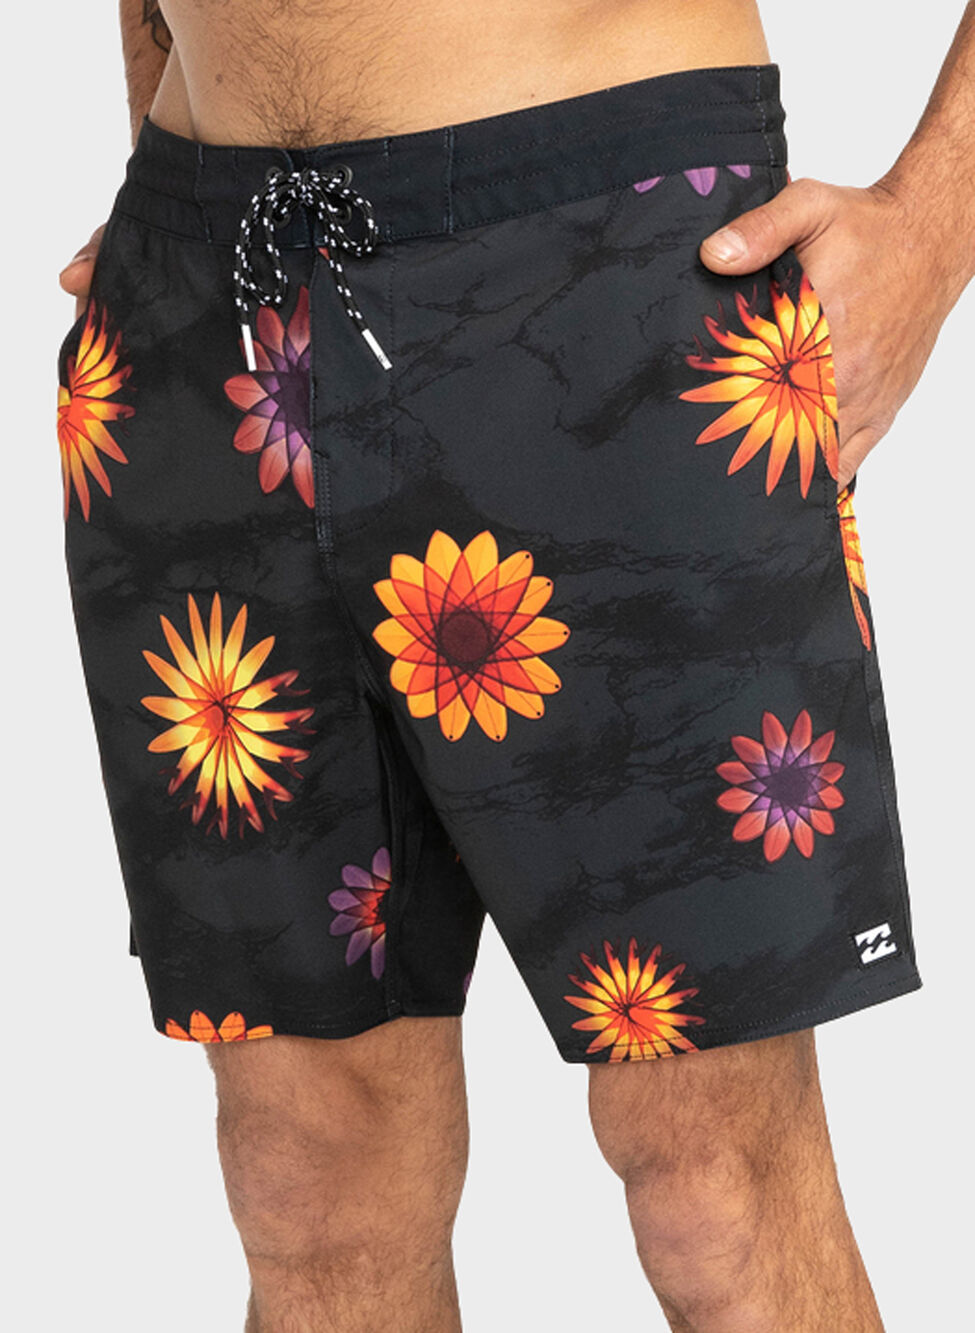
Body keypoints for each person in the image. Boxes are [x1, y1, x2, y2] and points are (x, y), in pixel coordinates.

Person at [55, 3, 972, 1329]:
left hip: (600, 255)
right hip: (207, 296)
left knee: (709, 1172)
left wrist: (934, 222)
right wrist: (156, 150)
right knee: (307, 1177)